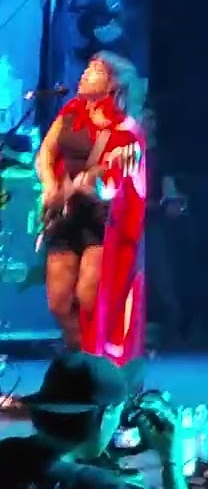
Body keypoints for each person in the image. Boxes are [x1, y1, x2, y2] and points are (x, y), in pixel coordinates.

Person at [35, 52, 148, 366]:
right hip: (65, 216)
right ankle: (81, 363)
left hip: (100, 222)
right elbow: (46, 151)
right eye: (86, 68)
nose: (85, 73)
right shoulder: (71, 111)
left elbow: (114, 186)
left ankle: (93, 369)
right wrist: (50, 185)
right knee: (59, 303)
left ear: (113, 85)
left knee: (89, 301)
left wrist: (89, 183)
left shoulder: (126, 130)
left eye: (95, 70)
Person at [0, 352, 185, 489]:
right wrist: (171, 461)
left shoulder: (5, 454)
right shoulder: (101, 484)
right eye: (119, 411)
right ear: (107, 414)